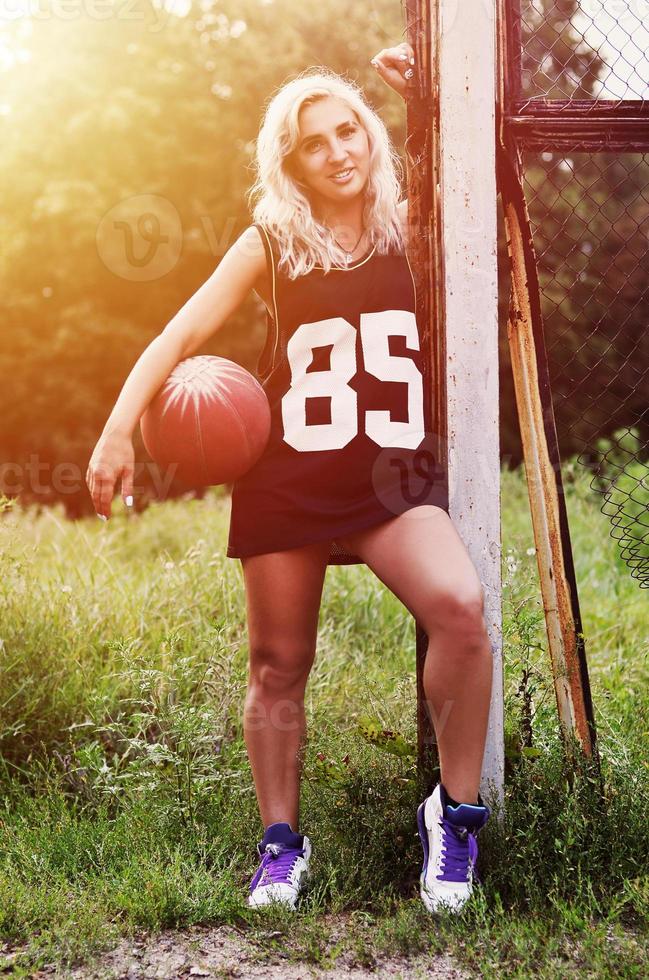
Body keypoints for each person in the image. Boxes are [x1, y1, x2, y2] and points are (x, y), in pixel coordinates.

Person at [86, 41, 493, 915]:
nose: (340, 151)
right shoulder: (272, 239)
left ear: (371, 138)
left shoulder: (414, 219)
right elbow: (180, 338)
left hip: (391, 483)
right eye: (316, 143)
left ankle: (453, 818)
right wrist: (118, 432)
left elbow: (483, 166)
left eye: (350, 131)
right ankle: (280, 844)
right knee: (278, 665)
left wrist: (427, 96)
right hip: (289, 480)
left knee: (460, 609)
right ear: (291, 161)